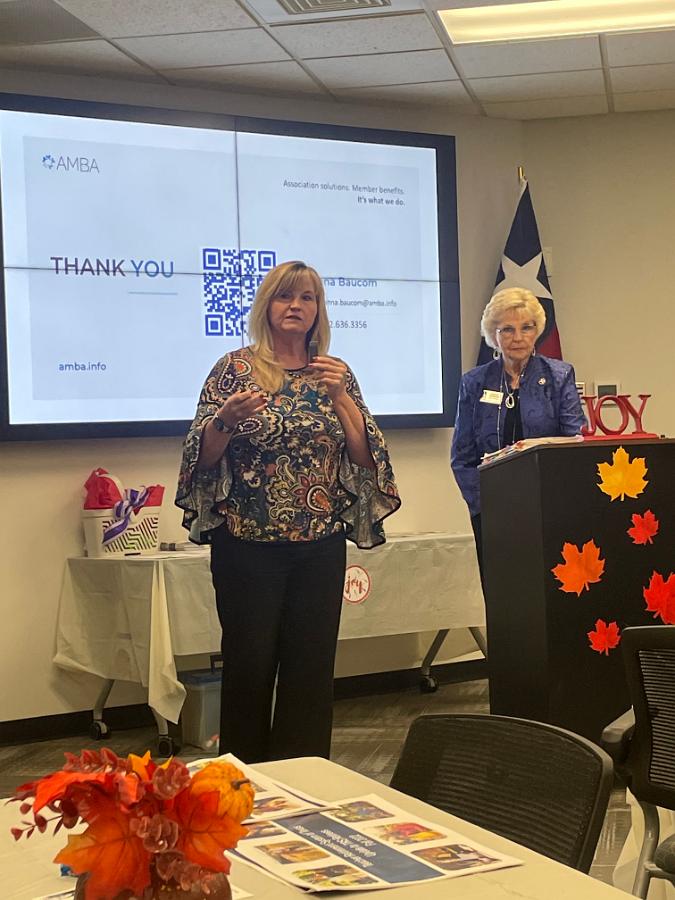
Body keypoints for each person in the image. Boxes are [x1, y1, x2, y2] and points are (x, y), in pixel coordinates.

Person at [176, 260, 400, 763]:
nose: (295, 306)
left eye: (307, 298)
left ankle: (305, 777)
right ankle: (245, 781)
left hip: (319, 547)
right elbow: (200, 460)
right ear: (267, 306)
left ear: (318, 309)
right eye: (285, 296)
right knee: (249, 667)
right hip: (247, 548)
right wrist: (224, 421)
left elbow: (366, 458)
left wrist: (341, 398)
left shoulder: (335, 374)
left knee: (310, 671)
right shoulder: (234, 369)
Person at [451, 287, 585, 576]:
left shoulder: (559, 376)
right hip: (493, 510)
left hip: (550, 507)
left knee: (550, 582)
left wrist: (560, 500)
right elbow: (462, 456)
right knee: (502, 585)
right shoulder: (474, 382)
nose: (518, 337)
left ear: (537, 330)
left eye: (527, 327)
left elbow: (576, 443)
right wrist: (483, 506)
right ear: (494, 335)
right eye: (508, 329)